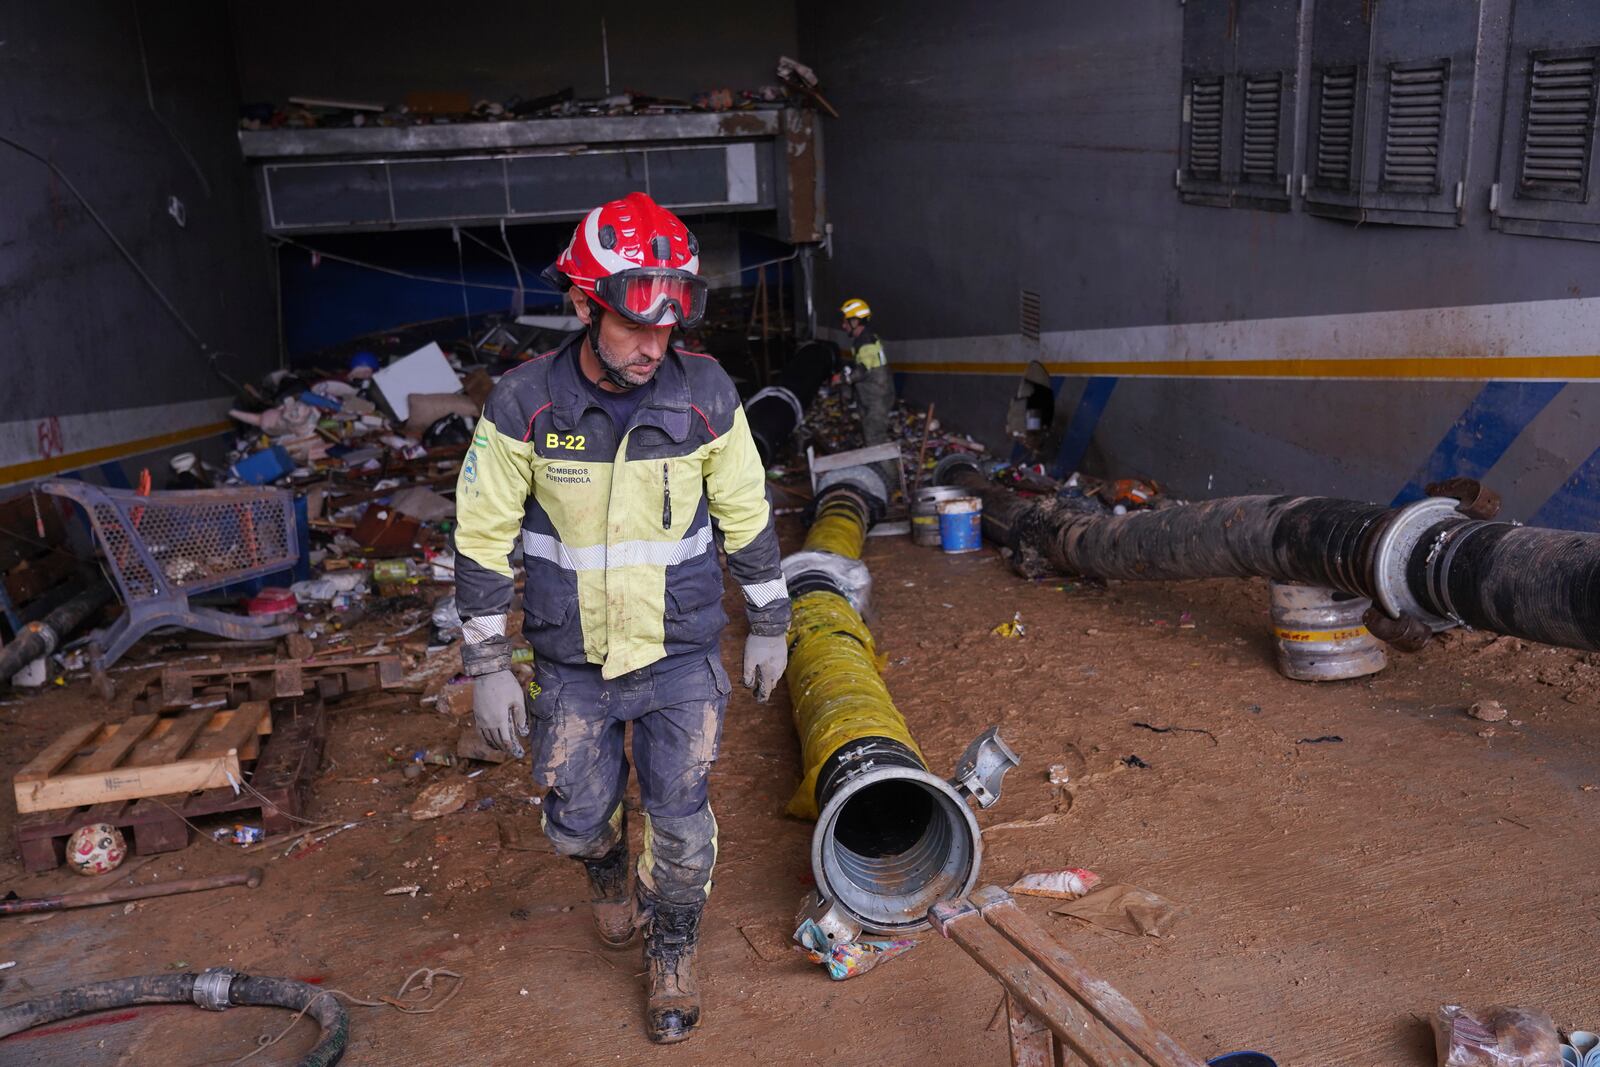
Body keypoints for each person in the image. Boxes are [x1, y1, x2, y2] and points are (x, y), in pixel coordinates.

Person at [453, 192, 790, 1044]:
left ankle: (672, 947)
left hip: (679, 654)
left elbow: (746, 511)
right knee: (576, 817)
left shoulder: (706, 393)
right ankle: (605, 872)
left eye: (667, 328)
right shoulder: (524, 404)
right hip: (573, 666)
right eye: (635, 326)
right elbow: (483, 533)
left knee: (681, 814)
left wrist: (771, 618)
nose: (654, 348)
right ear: (582, 304)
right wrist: (488, 664)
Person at [839, 297, 893, 451]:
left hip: (877, 401)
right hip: (871, 398)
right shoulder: (862, 341)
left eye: (846, 321)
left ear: (855, 322)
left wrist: (842, 379)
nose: (843, 325)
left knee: (875, 443)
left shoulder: (867, 342)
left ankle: (887, 475)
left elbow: (861, 371)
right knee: (872, 438)